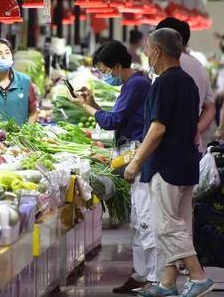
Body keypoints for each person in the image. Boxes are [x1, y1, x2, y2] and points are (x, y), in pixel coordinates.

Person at [125, 28, 213, 297]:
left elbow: (158, 128)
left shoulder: (164, 82)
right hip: (187, 163)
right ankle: (166, 283)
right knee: (179, 224)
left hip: (167, 166)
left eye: (148, 49)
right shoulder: (187, 81)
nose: (146, 53)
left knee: (165, 226)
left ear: (157, 51)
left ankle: (198, 277)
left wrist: (135, 162)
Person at [72, 41, 159, 294]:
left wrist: (85, 106)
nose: (104, 76)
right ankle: (141, 274)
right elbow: (115, 117)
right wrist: (95, 104)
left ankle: (152, 278)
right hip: (134, 158)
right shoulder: (132, 84)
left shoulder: (137, 84)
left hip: (140, 158)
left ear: (118, 66)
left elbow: (114, 121)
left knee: (145, 219)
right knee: (138, 219)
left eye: (105, 70)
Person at [156, 18, 216, 151]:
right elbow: (210, 107)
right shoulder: (198, 65)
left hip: (168, 147)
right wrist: (195, 130)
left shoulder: (167, 65)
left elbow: (159, 121)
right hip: (194, 145)